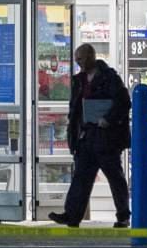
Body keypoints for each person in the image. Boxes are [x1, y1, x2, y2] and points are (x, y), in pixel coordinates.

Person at [48, 44, 131, 229]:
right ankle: (71, 215)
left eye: (83, 59)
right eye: (77, 60)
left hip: (106, 137)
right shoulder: (79, 80)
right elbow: (75, 110)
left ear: (92, 56)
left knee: (115, 177)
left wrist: (108, 119)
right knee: (81, 178)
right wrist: (73, 135)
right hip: (86, 136)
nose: (80, 63)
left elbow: (124, 102)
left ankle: (123, 216)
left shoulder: (110, 77)